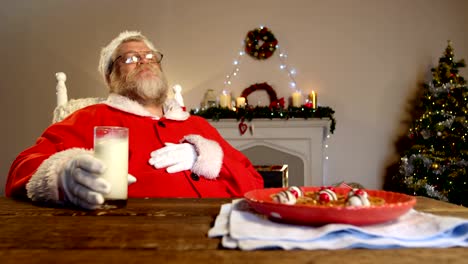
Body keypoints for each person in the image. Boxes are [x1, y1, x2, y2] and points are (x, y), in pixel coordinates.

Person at [5, 30, 264, 209]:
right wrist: (62, 175)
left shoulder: (197, 125)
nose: (144, 61)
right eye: (130, 58)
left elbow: (254, 182)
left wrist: (207, 158)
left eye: (151, 56)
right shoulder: (88, 118)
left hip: (221, 234)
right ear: (111, 77)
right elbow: (21, 168)